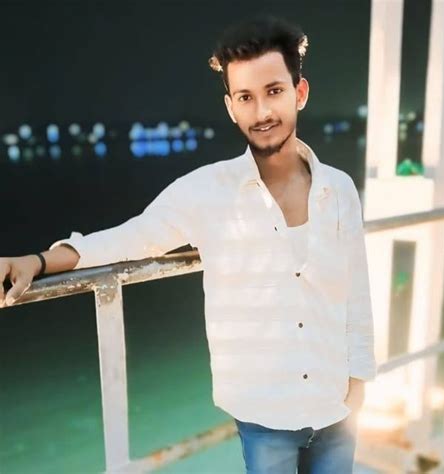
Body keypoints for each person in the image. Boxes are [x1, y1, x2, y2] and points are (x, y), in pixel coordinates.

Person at [0, 15, 377, 474]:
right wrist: (38, 261)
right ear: (231, 107)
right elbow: (127, 239)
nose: (262, 112)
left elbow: (357, 292)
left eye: (274, 91)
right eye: (246, 97)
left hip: (337, 403)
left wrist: (359, 381)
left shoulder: (338, 189)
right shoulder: (206, 192)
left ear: (299, 93)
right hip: (265, 416)